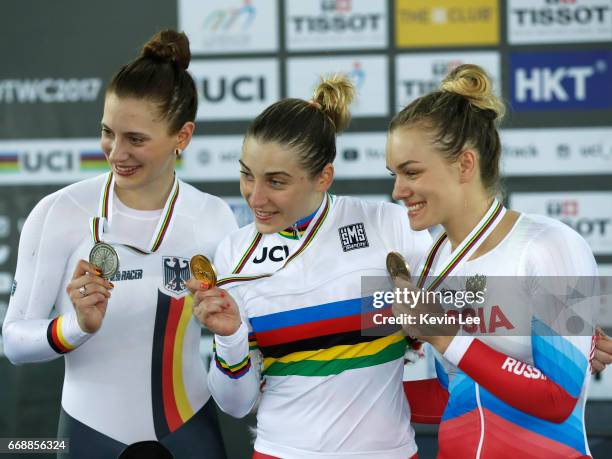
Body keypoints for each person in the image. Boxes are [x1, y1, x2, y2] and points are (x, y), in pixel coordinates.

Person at [2, 30, 236, 459]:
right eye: (108, 132)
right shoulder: (59, 212)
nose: (116, 152)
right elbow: (14, 342)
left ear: (182, 137)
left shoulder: (213, 216)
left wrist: (232, 337)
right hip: (89, 435)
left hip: (190, 432)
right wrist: (75, 327)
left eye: (136, 139)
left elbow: (239, 376)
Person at [187, 75, 433, 459]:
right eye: (246, 175)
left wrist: (431, 318)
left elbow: (480, 319)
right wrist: (230, 336)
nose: (256, 196)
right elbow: (235, 405)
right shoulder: (234, 253)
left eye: (276, 182)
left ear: (324, 177)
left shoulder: (390, 226)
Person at [387, 64, 601, 458]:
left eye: (411, 172)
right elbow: (461, 396)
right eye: (394, 174)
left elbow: (558, 399)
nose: (398, 191)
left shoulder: (552, 246)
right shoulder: (435, 264)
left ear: (465, 164)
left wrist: (443, 334)